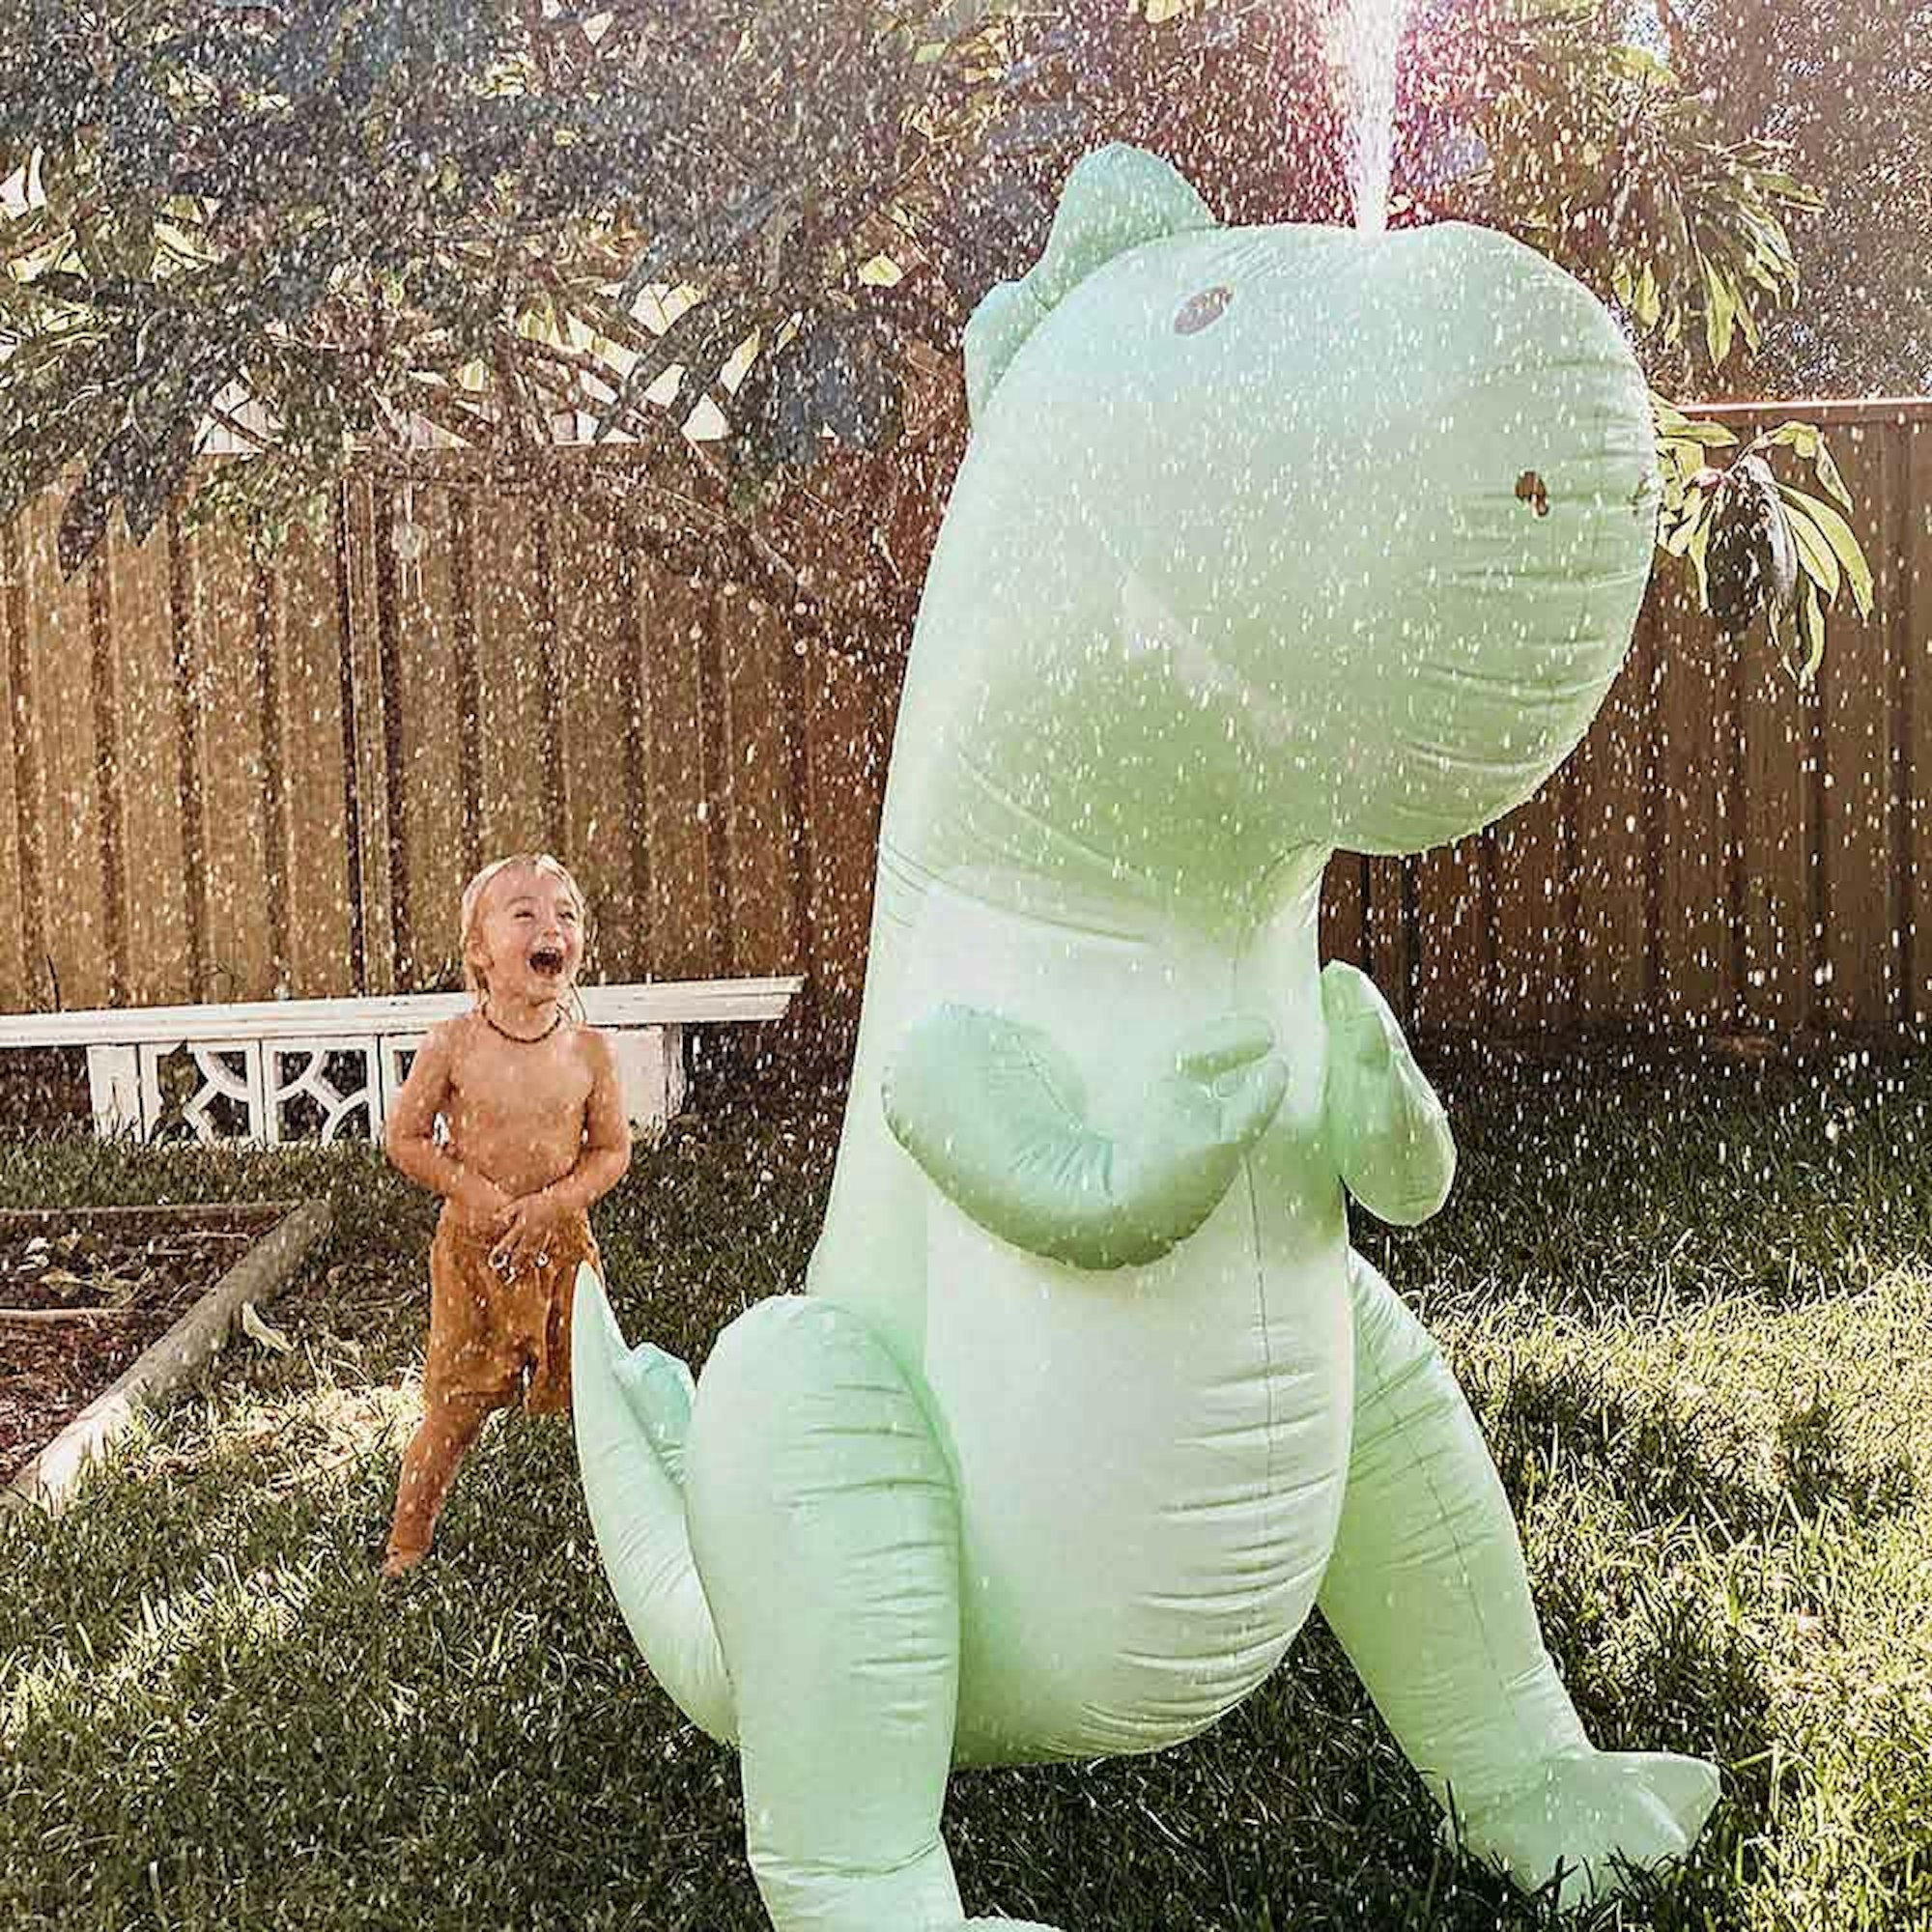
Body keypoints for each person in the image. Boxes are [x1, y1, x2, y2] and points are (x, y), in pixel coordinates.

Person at [380, 853, 632, 1578]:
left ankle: (629, 1536)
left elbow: (611, 1152)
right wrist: (473, 1191)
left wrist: (556, 1201)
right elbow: (405, 1138)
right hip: (475, 1257)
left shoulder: (587, 1051)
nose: (549, 925)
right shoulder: (453, 1044)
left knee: (599, 1395)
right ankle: (407, 1543)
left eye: (566, 915)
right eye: (523, 912)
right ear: (479, 952)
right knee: (455, 1409)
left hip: (561, 1251)